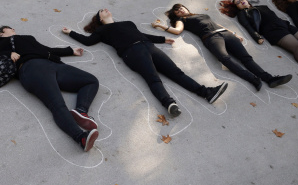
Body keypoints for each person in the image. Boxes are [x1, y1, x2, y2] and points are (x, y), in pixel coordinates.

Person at [62, 9, 228, 118]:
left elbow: (142, 34)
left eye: (106, 9)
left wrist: (162, 39)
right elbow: (87, 41)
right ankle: (168, 103)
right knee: (153, 78)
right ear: (99, 19)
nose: (105, 10)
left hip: (148, 46)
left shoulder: (128, 23)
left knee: (177, 73)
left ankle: (206, 93)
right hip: (131, 52)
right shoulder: (101, 30)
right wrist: (70, 33)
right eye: (101, 11)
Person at [0, 26, 99, 152]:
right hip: (31, 69)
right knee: (57, 105)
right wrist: (8, 53)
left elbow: (45, 49)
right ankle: (81, 138)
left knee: (90, 81)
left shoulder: (27, 38)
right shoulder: (0, 44)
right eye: (9, 28)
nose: (14, 29)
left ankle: (81, 111)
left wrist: (70, 51)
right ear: (0, 33)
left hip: (53, 65)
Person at [153, 3, 292, 91]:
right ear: (176, 15)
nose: (181, 10)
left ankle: (270, 79)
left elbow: (218, 24)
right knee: (225, 59)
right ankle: (253, 79)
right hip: (211, 38)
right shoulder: (181, 20)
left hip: (225, 33)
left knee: (246, 58)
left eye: (181, 8)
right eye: (177, 11)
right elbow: (177, 31)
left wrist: (233, 33)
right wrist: (161, 25)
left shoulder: (200, 15)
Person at [220, 0, 298, 68]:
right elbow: (248, 27)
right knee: (297, 48)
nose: (241, 1)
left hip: (285, 25)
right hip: (273, 31)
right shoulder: (242, 14)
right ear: (237, 7)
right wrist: (257, 37)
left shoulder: (262, 6)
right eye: (238, 2)